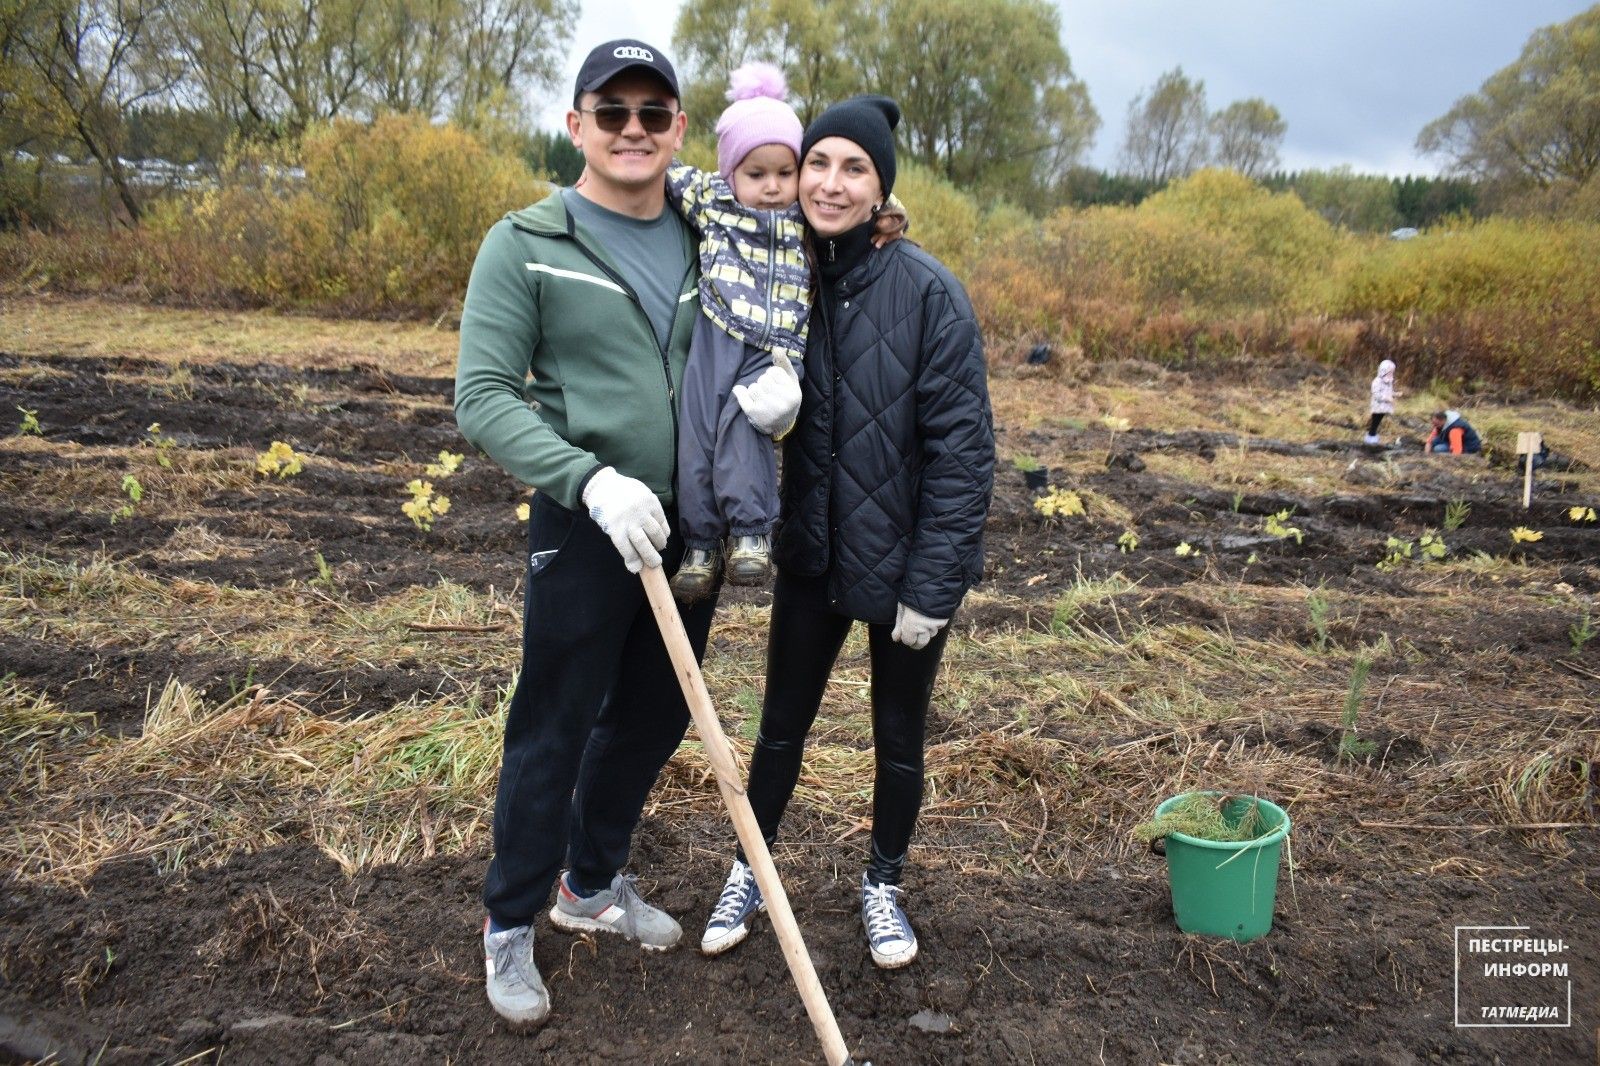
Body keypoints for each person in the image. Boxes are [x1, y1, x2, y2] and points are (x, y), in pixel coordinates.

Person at [453, 38, 801, 1030]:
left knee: (653, 715)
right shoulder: (524, 241)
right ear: (577, 127)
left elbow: (794, 263)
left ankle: (591, 883)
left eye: (654, 112)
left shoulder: (710, 232)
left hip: (688, 526)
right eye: (613, 113)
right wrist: (589, 477)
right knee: (553, 723)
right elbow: (481, 397)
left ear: (680, 130)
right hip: (588, 517)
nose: (634, 129)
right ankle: (510, 920)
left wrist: (778, 390)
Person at [698, 96, 994, 969]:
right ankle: (751, 869)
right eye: (817, 162)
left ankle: (883, 885)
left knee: (898, 735)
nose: (830, 182)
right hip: (811, 555)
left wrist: (933, 590)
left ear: (880, 187)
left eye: (853, 167)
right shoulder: (782, 274)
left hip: (904, 567)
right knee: (780, 726)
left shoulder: (930, 294)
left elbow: (962, 457)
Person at [664, 63, 906, 601]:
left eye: (784, 171)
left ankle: (751, 534)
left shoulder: (805, 218)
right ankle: (701, 544)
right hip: (718, 331)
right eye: (756, 173)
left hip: (774, 350)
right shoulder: (714, 202)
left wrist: (891, 215)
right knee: (698, 431)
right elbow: (660, 170)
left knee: (743, 427)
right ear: (731, 173)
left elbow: (861, 210)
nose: (772, 187)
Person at [1365, 359, 1396, 445]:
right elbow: (1376, 394)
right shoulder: (1377, 381)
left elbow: (1389, 391)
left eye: (1392, 373)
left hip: (1384, 407)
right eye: (1390, 372)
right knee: (1375, 421)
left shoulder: (1388, 382)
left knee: (1378, 421)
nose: (1391, 375)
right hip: (1377, 406)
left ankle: (1373, 435)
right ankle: (1370, 436)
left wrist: (1395, 394)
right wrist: (1387, 398)